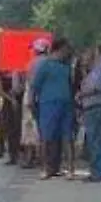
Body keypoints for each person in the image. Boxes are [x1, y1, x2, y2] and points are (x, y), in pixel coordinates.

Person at [33, 38, 77, 180]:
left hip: (66, 104)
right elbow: (36, 85)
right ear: (59, 49)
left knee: (67, 137)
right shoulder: (45, 65)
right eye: (66, 50)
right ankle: (45, 168)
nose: (68, 53)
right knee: (46, 137)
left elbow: (71, 84)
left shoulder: (66, 67)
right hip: (48, 104)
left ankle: (70, 168)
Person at [76, 43, 101, 183]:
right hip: (93, 106)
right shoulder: (96, 67)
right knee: (94, 139)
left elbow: (97, 86)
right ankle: (96, 170)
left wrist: (81, 94)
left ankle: (98, 173)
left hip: (98, 105)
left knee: (98, 139)